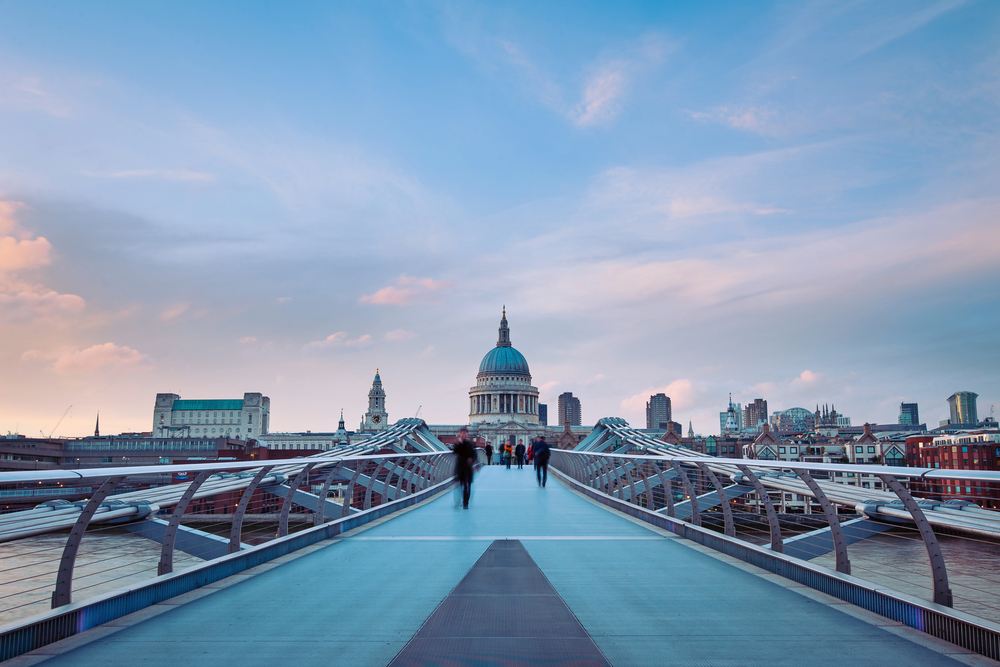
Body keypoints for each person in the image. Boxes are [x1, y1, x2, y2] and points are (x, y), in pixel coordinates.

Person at [453, 428, 476, 508]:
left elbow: (474, 455)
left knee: (467, 485)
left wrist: (471, 459)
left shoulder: (470, 444)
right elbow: (455, 451)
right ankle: (462, 500)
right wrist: (460, 442)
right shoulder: (458, 444)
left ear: (467, 435)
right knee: (461, 485)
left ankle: (465, 502)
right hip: (460, 467)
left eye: (465, 433)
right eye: (462, 433)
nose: (464, 435)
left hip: (468, 468)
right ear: (460, 435)